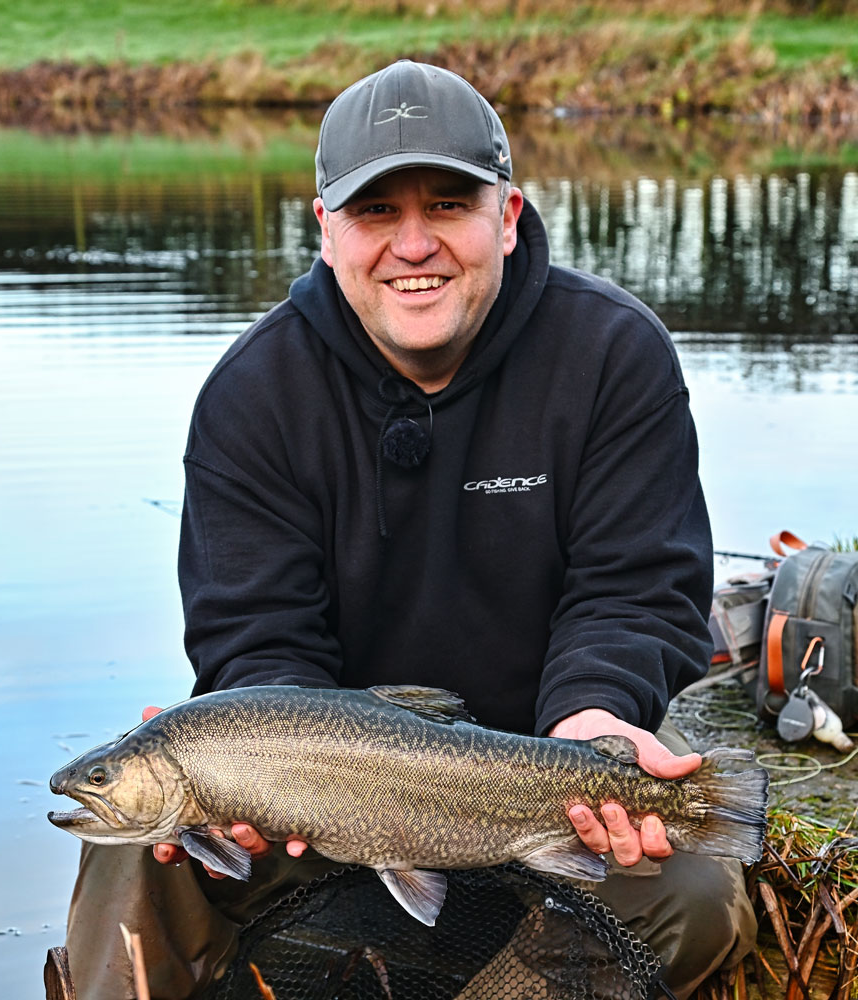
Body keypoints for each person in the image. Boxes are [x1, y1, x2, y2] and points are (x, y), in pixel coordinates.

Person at [64, 60, 757, 998]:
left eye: (448, 205)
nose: (414, 244)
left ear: (507, 218)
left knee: (695, 897)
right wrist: (252, 780)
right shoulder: (252, 396)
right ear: (326, 230)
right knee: (132, 861)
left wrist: (598, 720)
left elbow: (633, 592)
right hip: (327, 802)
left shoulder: (612, 355)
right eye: (376, 213)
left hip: (544, 782)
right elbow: (256, 639)